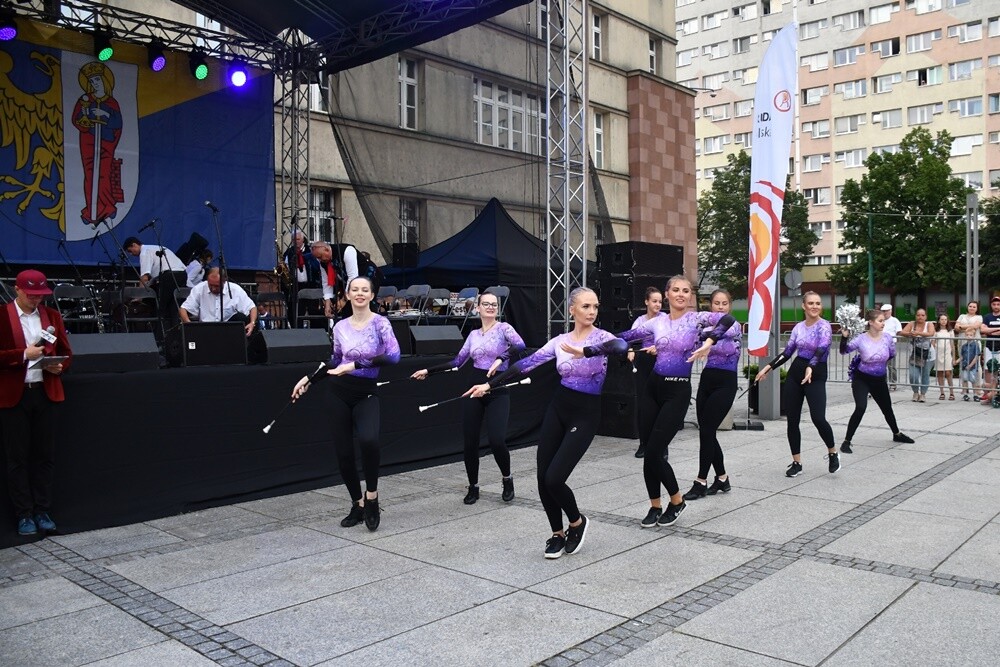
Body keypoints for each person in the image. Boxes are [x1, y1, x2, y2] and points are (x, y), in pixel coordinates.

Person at [465, 288, 626, 559]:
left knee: (555, 478)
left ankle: (577, 522)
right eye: (585, 306)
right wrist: (489, 385)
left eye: (595, 306)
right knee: (542, 477)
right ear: (572, 310)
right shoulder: (560, 341)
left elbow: (620, 347)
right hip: (559, 408)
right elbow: (526, 364)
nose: (592, 311)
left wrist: (586, 351)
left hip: (585, 414)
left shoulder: (602, 338)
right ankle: (557, 534)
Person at [617, 277, 736, 525]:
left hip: (677, 391)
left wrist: (709, 342)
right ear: (667, 294)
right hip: (653, 389)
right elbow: (627, 336)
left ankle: (677, 500)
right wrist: (592, 342)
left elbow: (728, 320)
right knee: (649, 451)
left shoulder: (696, 319)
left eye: (685, 291)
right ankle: (654, 506)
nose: (681, 294)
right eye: (676, 290)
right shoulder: (657, 322)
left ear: (690, 296)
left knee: (654, 452)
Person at [291, 277, 400, 531]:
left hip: (366, 392)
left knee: (369, 440)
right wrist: (309, 379)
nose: (360, 293)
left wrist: (355, 365)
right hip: (338, 393)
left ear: (371, 295)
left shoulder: (380, 324)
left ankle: (372, 497)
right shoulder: (340, 326)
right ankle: (357, 503)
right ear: (348, 295)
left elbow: (394, 356)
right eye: (355, 290)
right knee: (343, 453)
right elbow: (335, 360)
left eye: (365, 290)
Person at [411, 293, 526, 504]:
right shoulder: (473, 335)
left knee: (497, 439)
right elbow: (457, 362)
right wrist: (429, 371)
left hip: (497, 387)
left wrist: (500, 358)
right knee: (470, 441)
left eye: (494, 304)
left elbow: (520, 345)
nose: (490, 307)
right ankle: (473, 486)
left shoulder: (504, 328)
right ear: (477, 308)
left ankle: (507, 478)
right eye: (486, 304)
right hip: (473, 388)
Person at [0, 270, 72, 536]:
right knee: (17, 458)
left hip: (45, 392)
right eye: (31, 294)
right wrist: (23, 355)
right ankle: (24, 514)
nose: (36, 299)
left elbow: (66, 352)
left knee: (45, 456)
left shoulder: (51, 316)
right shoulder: (2, 316)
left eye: (40, 295)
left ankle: (43, 510)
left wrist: (59, 366)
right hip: (14, 395)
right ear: (17, 290)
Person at [755, 291, 840, 477]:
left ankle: (833, 452)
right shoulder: (798, 328)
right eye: (811, 303)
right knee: (792, 420)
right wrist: (767, 368)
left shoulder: (824, 326)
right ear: (804, 306)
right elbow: (787, 353)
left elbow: (822, 349)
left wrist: (811, 366)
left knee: (818, 418)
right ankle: (797, 462)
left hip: (816, 373)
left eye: (818, 303)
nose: (814, 306)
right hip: (796, 372)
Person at [684, 289, 741, 500]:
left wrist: (702, 334)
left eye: (724, 303)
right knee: (706, 432)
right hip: (707, 380)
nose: (720, 307)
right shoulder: (706, 325)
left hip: (726, 383)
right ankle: (722, 479)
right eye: (717, 303)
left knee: (707, 430)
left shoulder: (733, 325)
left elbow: (717, 332)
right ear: (711, 305)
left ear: (730, 305)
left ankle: (700, 481)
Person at [839, 308, 915, 453]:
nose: (883, 323)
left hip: (879, 379)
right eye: (880, 321)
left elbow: (892, 354)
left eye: (883, 321)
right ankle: (846, 441)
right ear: (871, 322)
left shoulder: (887, 338)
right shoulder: (861, 339)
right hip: (862, 379)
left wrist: (878, 364)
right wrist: (844, 337)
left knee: (887, 408)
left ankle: (897, 434)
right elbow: (844, 351)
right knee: (861, 407)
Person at [179, 268, 264, 362]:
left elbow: (251, 307)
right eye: (210, 285)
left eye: (216, 286)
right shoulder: (199, 288)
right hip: (206, 330)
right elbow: (183, 309)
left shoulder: (235, 290)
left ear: (224, 281)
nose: (213, 288)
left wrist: (252, 323)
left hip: (228, 331)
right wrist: (189, 325)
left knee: (241, 318)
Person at [123, 236, 187, 339]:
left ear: (134, 245)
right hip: (182, 275)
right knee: (174, 309)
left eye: (130, 251)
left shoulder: (145, 252)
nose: (131, 254)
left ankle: (160, 338)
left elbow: (144, 277)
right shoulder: (154, 248)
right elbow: (153, 278)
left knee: (161, 309)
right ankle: (175, 337)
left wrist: (140, 296)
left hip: (169, 275)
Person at [627, 287, 664, 458]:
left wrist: (659, 347)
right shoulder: (640, 321)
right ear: (646, 302)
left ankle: (662, 446)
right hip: (643, 361)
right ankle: (643, 443)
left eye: (660, 301)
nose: (658, 304)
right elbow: (629, 338)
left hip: (661, 361)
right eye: (654, 301)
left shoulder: (665, 319)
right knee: (643, 403)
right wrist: (629, 350)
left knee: (660, 402)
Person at [311, 241, 358, 321]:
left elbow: (353, 277)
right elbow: (326, 282)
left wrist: (343, 300)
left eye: (320, 256)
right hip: (347, 285)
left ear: (327, 250)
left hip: (366, 279)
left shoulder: (347, 251)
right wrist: (327, 301)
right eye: (317, 258)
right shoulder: (323, 263)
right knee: (346, 314)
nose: (320, 260)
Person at [283, 230, 321, 326]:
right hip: (296, 286)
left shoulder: (310, 251)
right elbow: (286, 267)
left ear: (303, 239)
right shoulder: (289, 252)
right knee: (297, 313)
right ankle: (297, 331)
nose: (296, 242)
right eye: (294, 240)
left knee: (313, 311)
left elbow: (317, 267)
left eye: (298, 239)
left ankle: (316, 331)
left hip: (311, 285)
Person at [900, 308, 936, 403]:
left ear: (926, 316)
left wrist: (918, 333)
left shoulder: (929, 324)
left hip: (927, 354)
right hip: (914, 354)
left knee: (925, 374)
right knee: (913, 375)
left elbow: (931, 333)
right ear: (915, 316)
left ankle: (923, 394)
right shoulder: (912, 324)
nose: (920, 317)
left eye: (922, 315)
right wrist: (910, 334)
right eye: (918, 315)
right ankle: (915, 392)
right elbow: (902, 332)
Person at [980, 296, 1000, 405]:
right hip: (989, 347)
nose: (996, 306)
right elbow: (983, 329)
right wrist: (997, 329)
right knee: (988, 369)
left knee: (998, 371)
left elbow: (987, 330)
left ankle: (995, 394)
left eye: (998, 304)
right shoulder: (987, 317)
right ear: (991, 305)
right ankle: (988, 394)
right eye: (994, 304)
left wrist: (990, 331)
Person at [880, 303, 903, 390]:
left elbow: (899, 331)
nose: (885, 313)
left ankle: (893, 383)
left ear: (890, 311)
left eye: (886, 311)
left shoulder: (895, 320)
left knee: (891, 365)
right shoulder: (880, 320)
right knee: (881, 365)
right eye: (883, 311)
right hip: (880, 344)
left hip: (891, 345)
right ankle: (883, 383)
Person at [933, 314, 956, 401]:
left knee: (948, 372)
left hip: (947, 353)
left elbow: (952, 344)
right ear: (939, 321)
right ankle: (942, 392)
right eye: (942, 319)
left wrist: (954, 357)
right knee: (940, 373)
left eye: (945, 319)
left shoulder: (950, 331)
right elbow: (933, 343)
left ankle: (951, 392)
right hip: (938, 354)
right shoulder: (936, 331)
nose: (943, 321)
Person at [959, 325, 982, 402]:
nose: (969, 336)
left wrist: (971, 365)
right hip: (965, 366)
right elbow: (962, 356)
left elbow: (976, 356)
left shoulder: (975, 345)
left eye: (971, 335)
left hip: (973, 366)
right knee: (965, 379)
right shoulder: (964, 346)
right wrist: (957, 361)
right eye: (967, 335)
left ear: (974, 336)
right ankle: (965, 394)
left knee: (973, 380)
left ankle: (975, 394)